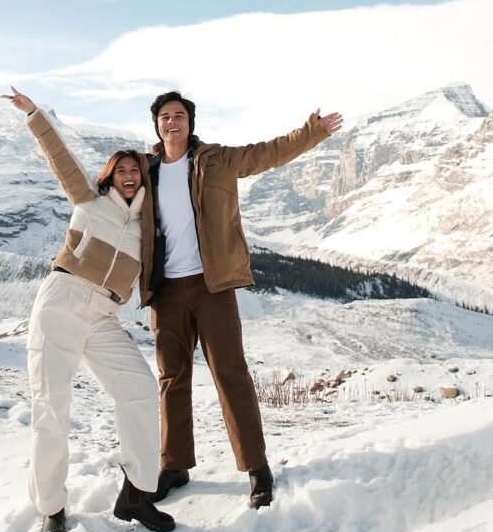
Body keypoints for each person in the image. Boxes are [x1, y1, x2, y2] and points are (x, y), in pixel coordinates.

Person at [142, 91, 343, 509]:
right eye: (165, 117)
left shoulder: (218, 160)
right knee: (171, 380)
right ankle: (174, 466)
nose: (172, 122)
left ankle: (257, 468)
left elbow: (268, 153)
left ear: (190, 123)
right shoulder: (146, 171)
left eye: (179, 115)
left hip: (211, 286)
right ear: (157, 125)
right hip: (166, 291)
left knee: (231, 374)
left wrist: (312, 132)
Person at [3, 86, 174, 532]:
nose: (129, 175)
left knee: (139, 388)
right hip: (61, 302)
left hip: (103, 316)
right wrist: (35, 114)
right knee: (52, 406)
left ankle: (137, 494)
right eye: (121, 170)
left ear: (144, 178)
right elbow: (59, 157)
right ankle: (52, 507)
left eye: (135, 169)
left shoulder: (145, 231)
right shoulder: (89, 201)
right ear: (110, 176)